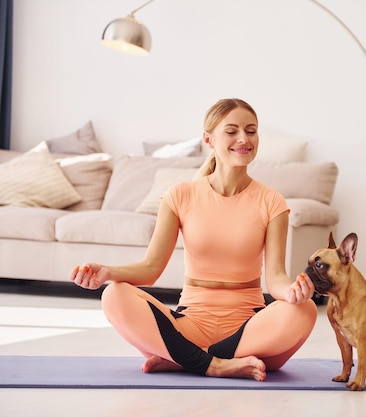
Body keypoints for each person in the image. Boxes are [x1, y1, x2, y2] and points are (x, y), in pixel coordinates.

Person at [70, 98, 318, 381]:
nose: (243, 139)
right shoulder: (180, 195)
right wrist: (107, 273)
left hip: (249, 330)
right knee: (113, 294)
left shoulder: (272, 201)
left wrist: (292, 293)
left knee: (305, 310)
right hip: (189, 324)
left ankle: (184, 358)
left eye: (251, 131)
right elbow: (150, 268)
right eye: (231, 131)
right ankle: (214, 364)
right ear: (208, 139)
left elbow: (275, 278)